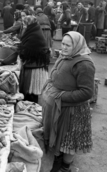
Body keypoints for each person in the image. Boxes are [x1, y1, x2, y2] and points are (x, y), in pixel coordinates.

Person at [42, 31, 95, 172]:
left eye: (68, 45)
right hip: (60, 106)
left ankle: (65, 168)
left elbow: (87, 92)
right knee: (60, 138)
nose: (63, 47)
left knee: (69, 141)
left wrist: (61, 96)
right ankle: (58, 162)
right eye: (63, 44)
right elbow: (56, 72)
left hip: (73, 110)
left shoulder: (84, 64)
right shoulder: (65, 56)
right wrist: (50, 82)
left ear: (77, 45)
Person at [18, 15, 50, 103]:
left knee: (32, 90)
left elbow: (27, 50)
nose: (24, 26)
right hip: (36, 64)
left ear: (29, 24)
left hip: (35, 66)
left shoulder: (34, 35)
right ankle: (30, 103)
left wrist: (19, 51)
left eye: (25, 24)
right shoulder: (35, 30)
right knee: (32, 90)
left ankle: (31, 105)